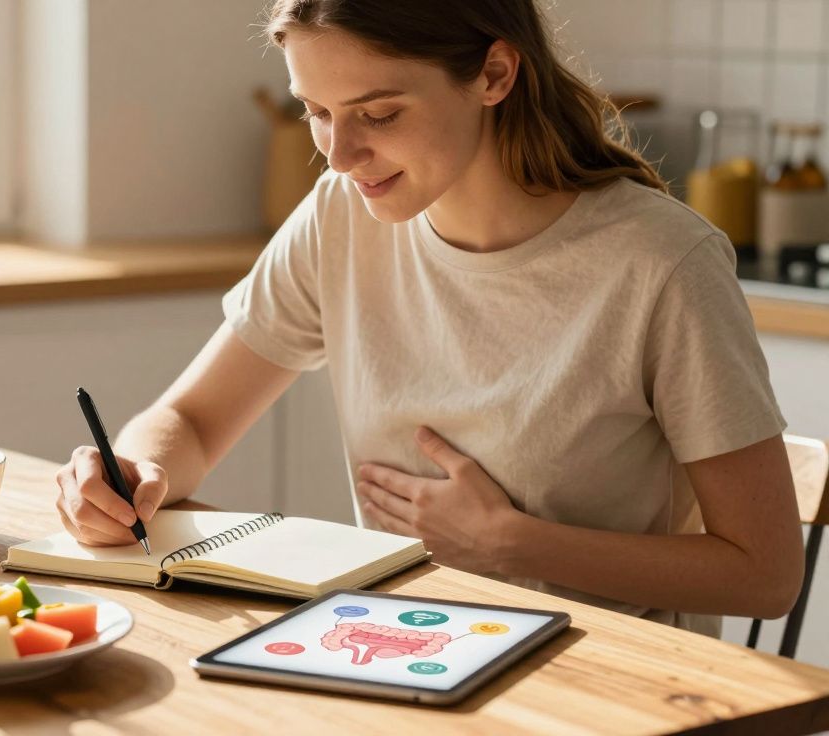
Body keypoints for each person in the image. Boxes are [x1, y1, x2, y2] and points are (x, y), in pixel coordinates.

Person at [53, 0, 804, 635]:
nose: (340, 155)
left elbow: (765, 574)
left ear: (494, 74)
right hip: (397, 648)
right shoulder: (341, 219)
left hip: (609, 684)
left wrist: (512, 543)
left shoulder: (662, 264)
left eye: (378, 113)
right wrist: (132, 472)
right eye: (315, 112)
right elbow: (190, 420)